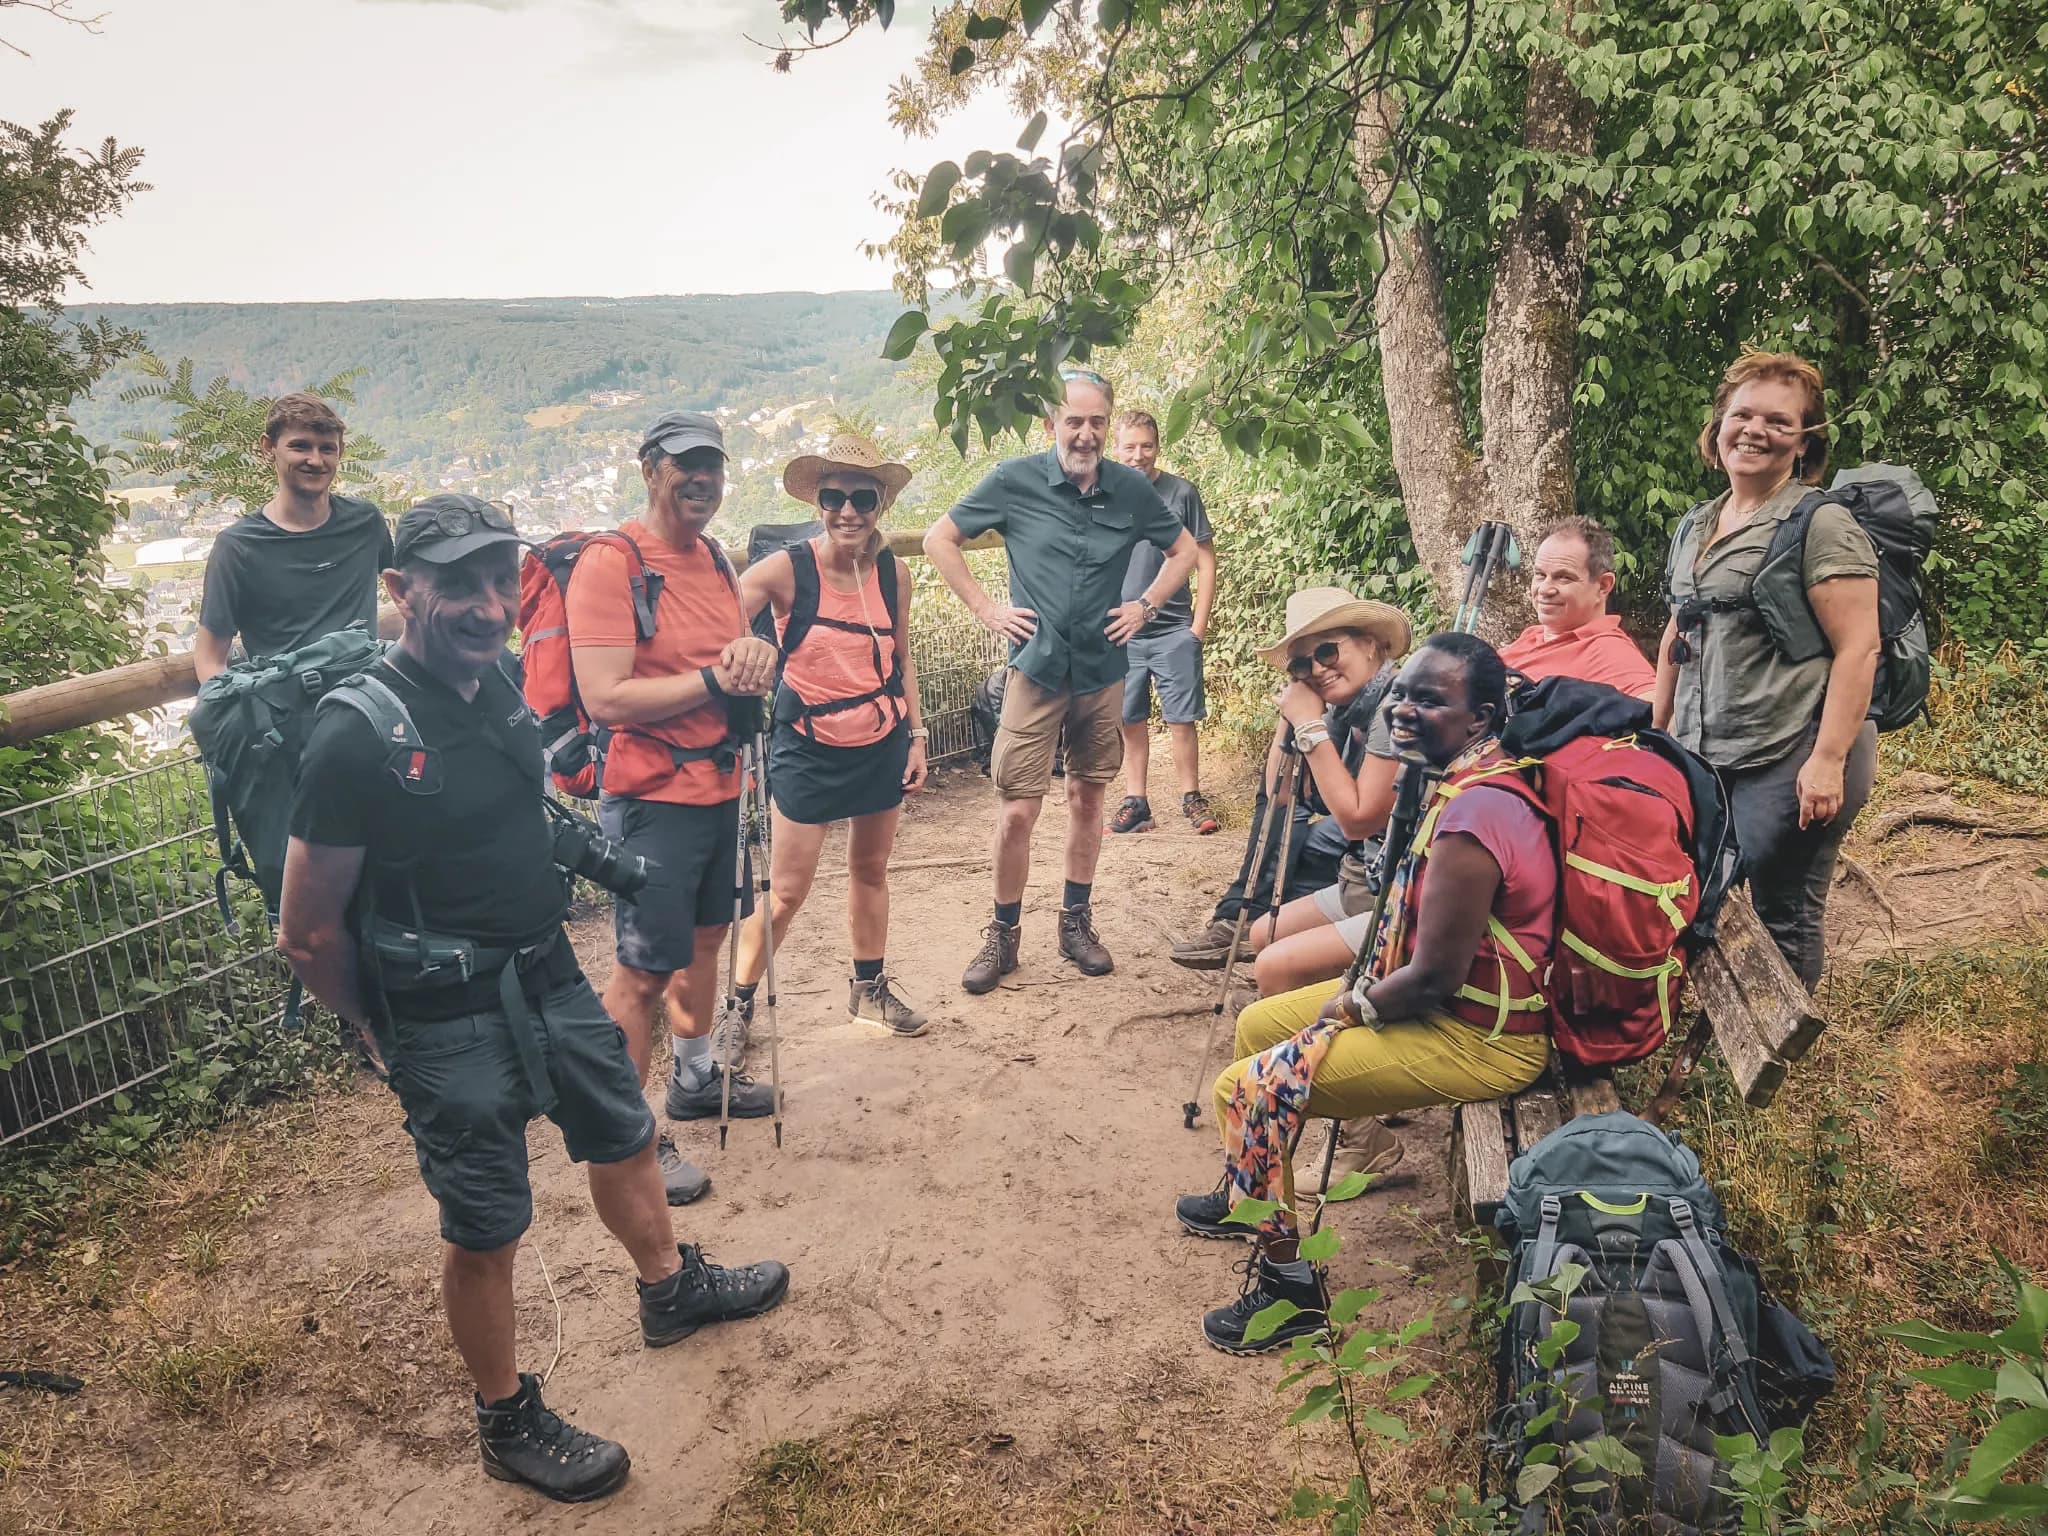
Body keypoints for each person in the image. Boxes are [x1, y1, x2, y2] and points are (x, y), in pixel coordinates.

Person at [277, 497, 788, 1502]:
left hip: (544, 969)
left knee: (623, 1127)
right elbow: (305, 929)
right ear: (400, 591)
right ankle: (504, 1415)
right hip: (440, 1005)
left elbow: (523, 810)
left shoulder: (495, 683)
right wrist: (378, 1030)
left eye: (496, 581)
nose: (483, 604)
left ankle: (668, 1288)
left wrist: (607, 863)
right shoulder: (355, 734)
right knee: (486, 1222)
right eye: (455, 584)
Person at [1174, 633, 1556, 1354]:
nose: (1405, 712)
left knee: (1245, 1091)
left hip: (1481, 1037)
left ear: (1478, 718)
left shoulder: (1476, 819)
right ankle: (1248, 1193)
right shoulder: (1463, 778)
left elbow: (1434, 977)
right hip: (1445, 1006)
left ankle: (1291, 1297)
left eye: (1430, 700)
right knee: (1259, 1025)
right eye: (1404, 695)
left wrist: (1350, 1006)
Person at [923, 368, 1198, 993]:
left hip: (1102, 670)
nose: (1086, 433)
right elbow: (942, 539)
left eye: (1097, 422)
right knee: (1018, 810)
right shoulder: (1014, 481)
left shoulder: (1130, 488)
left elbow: (1183, 551)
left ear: (1108, 424)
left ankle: (1076, 925)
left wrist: (1147, 606)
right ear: (1052, 425)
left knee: (1089, 799)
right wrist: (986, 609)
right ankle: (1003, 936)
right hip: (1037, 669)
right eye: (1074, 421)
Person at [566, 412, 781, 1206]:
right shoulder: (610, 562)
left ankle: (694, 1077)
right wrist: (715, 684)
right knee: (641, 971)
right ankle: (631, 1136)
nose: (702, 481)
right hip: (651, 798)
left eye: (714, 469)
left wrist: (755, 660)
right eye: (686, 466)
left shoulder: (716, 564)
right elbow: (606, 696)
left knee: (704, 939)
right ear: (650, 469)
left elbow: (728, 660)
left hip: (718, 787)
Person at [1654, 350, 1880, 990]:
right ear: (1719, 424)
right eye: (1742, 414)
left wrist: (1828, 760)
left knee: (1783, 905)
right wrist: (1656, 727)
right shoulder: (1698, 521)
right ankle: (1709, 1029)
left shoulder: (1820, 522)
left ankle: (1778, 1068)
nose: (1754, 430)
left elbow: (1860, 646)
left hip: (1795, 750)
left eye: (1778, 422)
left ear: (1804, 440)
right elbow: (1679, 627)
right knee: (1694, 886)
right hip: (1709, 751)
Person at [723, 433, 932, 1048]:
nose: (848, 511)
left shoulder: (894, 573)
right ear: (818, 501)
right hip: (808, 747)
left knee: (870, 869)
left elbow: (902, 657)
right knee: (787, 891)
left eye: (862, 497)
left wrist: (916, 735)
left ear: (879, 506)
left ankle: (869, 988)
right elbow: (719, 616)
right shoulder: (789, 568)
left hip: (882, 738)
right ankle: (736, 1006)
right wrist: (746, 646)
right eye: (835, 497)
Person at [195, 392, 392, 681]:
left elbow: (409, 593)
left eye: (327, 449)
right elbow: (210, 658)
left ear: (341, 452)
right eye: (300, 447)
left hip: (365, 705)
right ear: (268, 447)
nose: (315, 460)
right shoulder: (238, 547)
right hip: (284, 712)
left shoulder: (365, 522)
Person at [1108, 410, 1220, 836]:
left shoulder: (1181, 493)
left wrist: (1198, 628)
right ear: (1115, 450)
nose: (1139, 455)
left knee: (1181, 719)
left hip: (1175, 629)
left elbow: (1206, 562)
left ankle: (1192, 797)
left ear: (1158, 447)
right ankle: (1137, 802)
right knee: (1129, 718)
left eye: (1147, 446)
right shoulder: (1105, 494)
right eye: (1129, 447)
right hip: (1123, 631)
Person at [1498, 518, 1657, 698]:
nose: (1544, 589)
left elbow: (1658, 715)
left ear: (1603, 586)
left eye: (1564, 577)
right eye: (1540, 575)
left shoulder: (1609, 652)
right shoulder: (1531, 636)